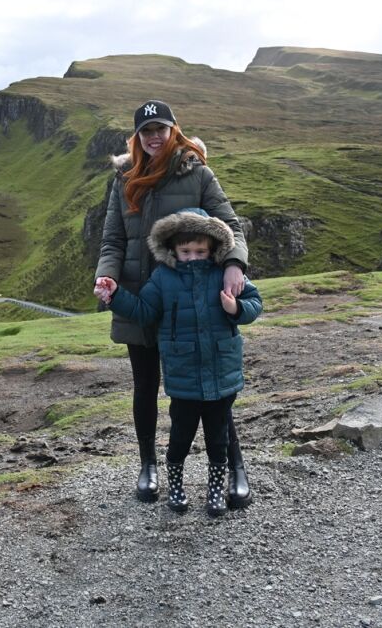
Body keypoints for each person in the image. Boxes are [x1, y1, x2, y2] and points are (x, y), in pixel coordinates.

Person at [93, 99, 252, 507]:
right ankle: (149, 467)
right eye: (146, 131)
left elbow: (231, 227)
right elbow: (113, 239)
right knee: (145, 385)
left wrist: (234, 264)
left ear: (173, 130)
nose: (154, 137)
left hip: (194, 300)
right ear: (137, 137)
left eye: (160, 129)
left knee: (213, 388)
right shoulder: (124, 178)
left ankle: (236, 468)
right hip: (140, 296)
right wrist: (106, 277)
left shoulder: (197, 172)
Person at [94, 208, 262, 516]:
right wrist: (116, 296)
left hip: (221, 375)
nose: (193, 257)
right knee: (180, 436)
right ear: (173, 250)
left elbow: (254, 302)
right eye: (186, 252)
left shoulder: (222, 275)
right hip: (183, 376)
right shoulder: (163, 278)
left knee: (218, 438)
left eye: (200, 251)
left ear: (213, 249)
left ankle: (215, 491)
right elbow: (145, 311)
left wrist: (235, 308)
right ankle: (176, 487)